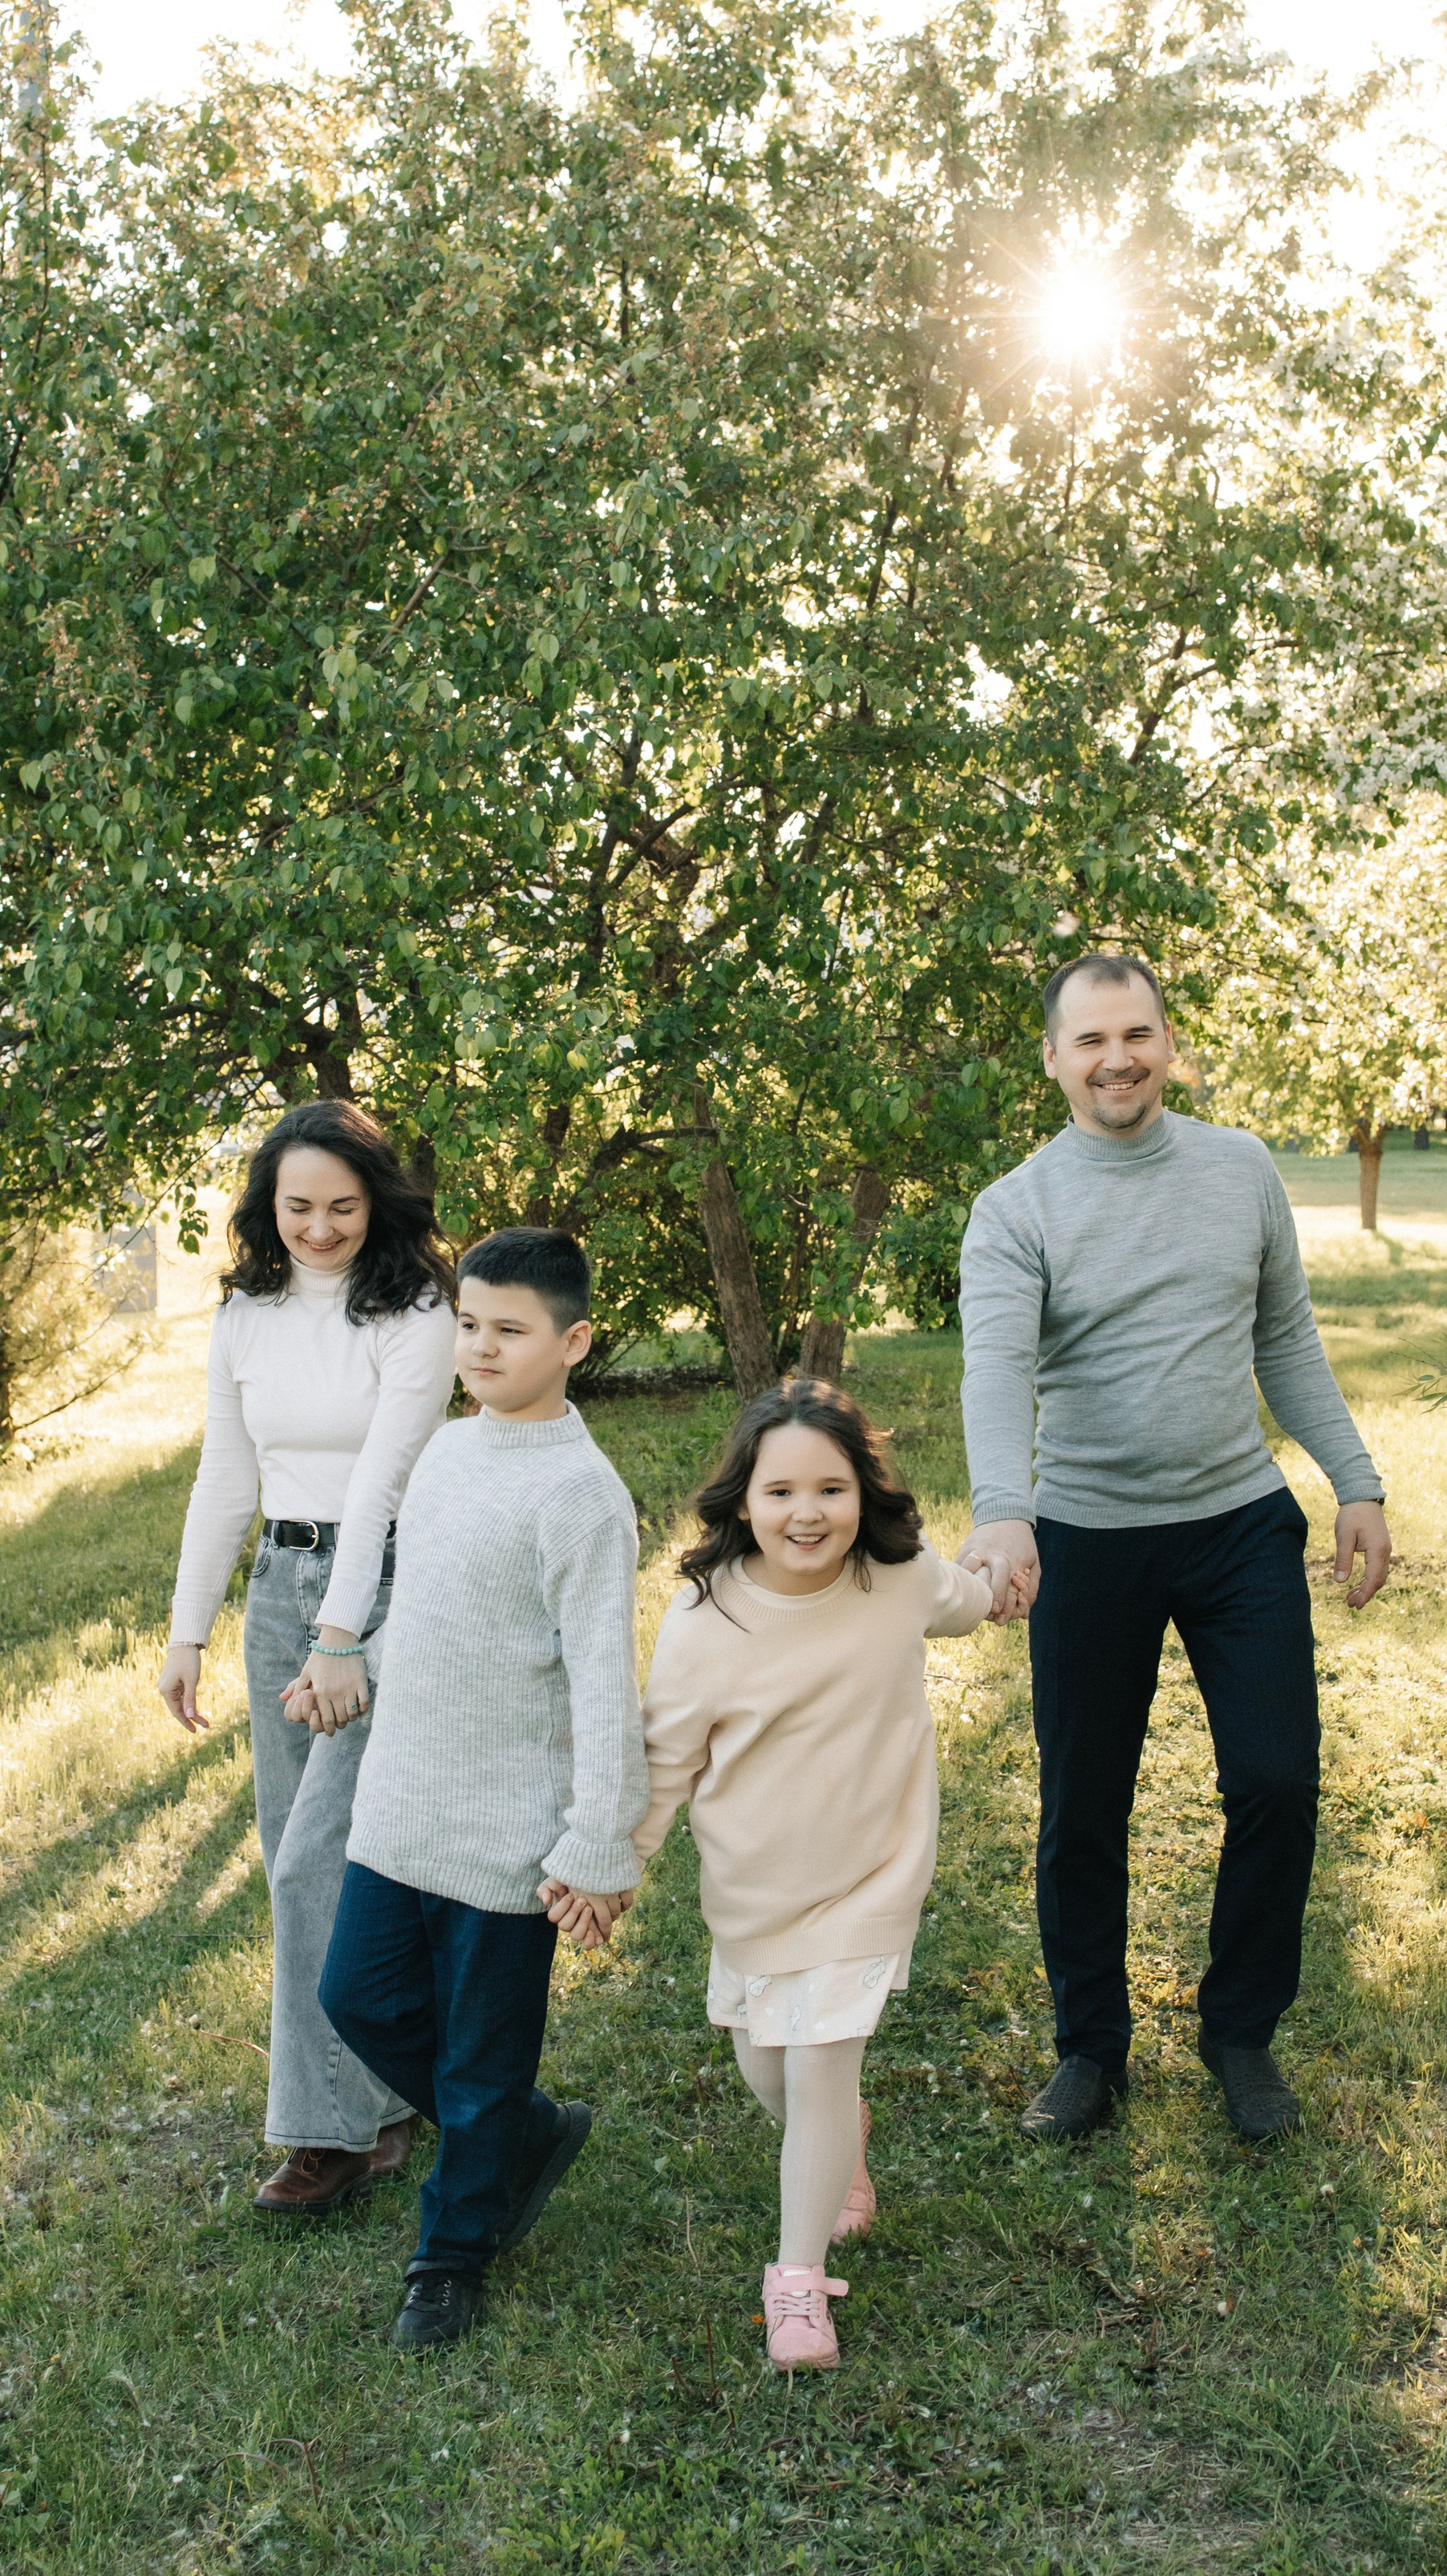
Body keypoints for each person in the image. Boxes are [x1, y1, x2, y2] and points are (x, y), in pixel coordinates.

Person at [956, 953, 1392, 2145]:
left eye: (1137, 1033)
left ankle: (1241, 2034)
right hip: (1088, 1536)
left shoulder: (1240, 1168)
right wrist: (1006, 1509)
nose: (1117, 1059)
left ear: (1167, 1040)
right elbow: (994, 1369)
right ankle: (1091, 2052)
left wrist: (1354, 1482)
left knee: (1277, 1781)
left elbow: (1286, 1340)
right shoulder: (1016, 1209)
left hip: (1237, 1524)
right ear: (1052, 1057)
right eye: (1090, 1040)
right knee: (1082, 1808)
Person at [585, 1379, 996, 2371]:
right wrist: (615, 1869)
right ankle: (838, 2139)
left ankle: (797, 2287)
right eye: (779, 1492)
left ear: (866, 1494)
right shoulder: (704, 1620)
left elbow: (968, 1602)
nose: (806, 1512)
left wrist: (1000, 1571)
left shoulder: (895, 1578)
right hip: (755, 1890)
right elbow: (668, 1762)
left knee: (818, 2058)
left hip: (872, 1874)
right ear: (741, 1501)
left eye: (830, 1488)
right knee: (768, 2062)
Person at [311, 1227, 646, 2351]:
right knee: (356, 1995)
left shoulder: (585, 1497)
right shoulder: (448, 1457)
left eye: (510, 1329)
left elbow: (604, 1683)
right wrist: (360, 1665)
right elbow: (437, 1610)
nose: (482, 1347)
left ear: (575, 1342)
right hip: (403, 1806)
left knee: (479, 2052)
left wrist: (598, 1841)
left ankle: (449, 2256)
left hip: (511, 1836)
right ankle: (521, 2131)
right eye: (469, 1324)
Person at [156, 1100, 456, 2217]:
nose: (321, 1228)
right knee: (302, 1851)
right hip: (279, 1590)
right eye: (298, 1207)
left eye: (341, 1205)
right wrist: (190, 1628)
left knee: (314, 1864)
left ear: (375, 1202)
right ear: (265, 1206)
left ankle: (329, 2131)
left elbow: (383, 1478)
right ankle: (381, 2102)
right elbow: (224, 1477)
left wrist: (342, 1637)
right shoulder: (246, 1311)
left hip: (378, 1587)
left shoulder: (418, 1307)